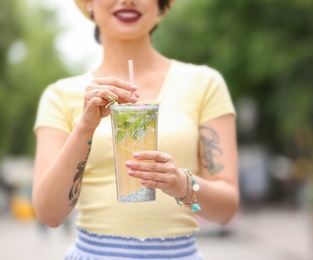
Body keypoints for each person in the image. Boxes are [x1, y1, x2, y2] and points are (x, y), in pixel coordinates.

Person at [32, 0, 239, 259]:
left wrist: (180, 183)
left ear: (161, 5)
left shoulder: (205, 84)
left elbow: (227, 209)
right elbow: (49, 214)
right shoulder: (60, 95)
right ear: (89, 4)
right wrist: (85, 127)